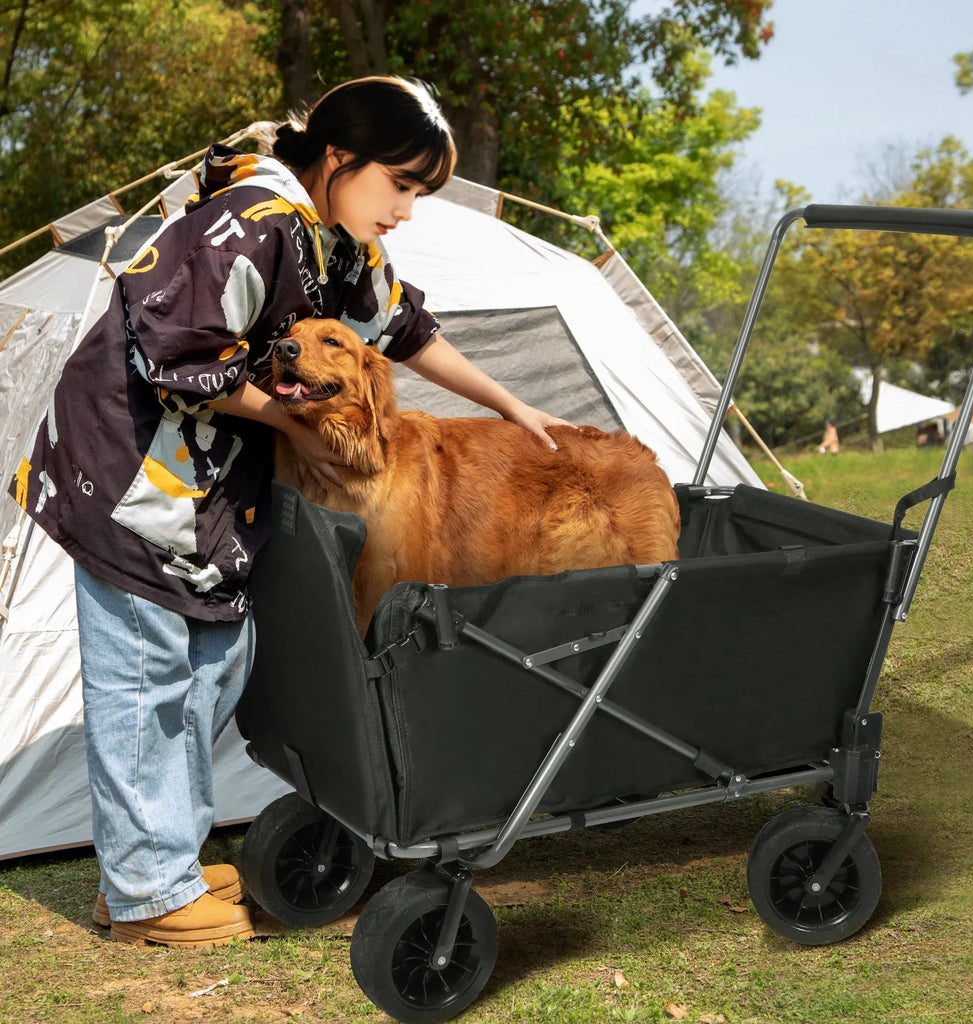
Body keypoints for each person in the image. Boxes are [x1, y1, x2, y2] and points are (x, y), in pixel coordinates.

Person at [8, 76, 571, 948]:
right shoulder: (252, 223)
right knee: (147, 682)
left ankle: (162, 864)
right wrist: (288, 424)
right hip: (129, 477)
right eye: (403, 186)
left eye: (421, 194)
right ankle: (148, 894)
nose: (409, 211)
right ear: (342, 160)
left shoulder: (337, 242)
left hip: (205, 496)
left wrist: (513, 406)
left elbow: (405, 329)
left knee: (212, 671)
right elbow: (173, 348)